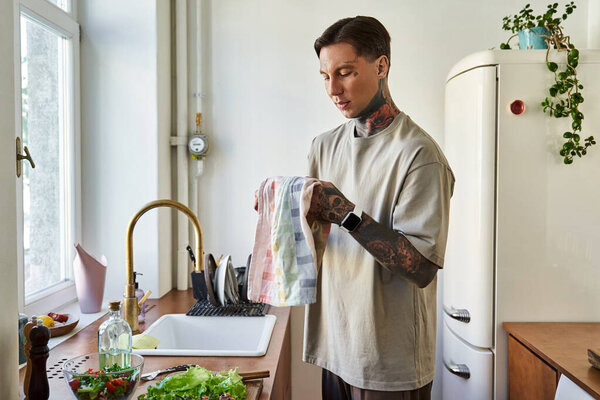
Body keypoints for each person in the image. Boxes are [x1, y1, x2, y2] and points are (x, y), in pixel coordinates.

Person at [304, 16, 455, 400]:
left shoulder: (418, 154)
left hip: (388, 362)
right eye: (325, 76)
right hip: (335, 348)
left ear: (381, 66)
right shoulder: (323, 146)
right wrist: (281, 207)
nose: (333, 89)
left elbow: (420, 268)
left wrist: (344, 213)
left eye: (346, 72)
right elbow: (310, 239)